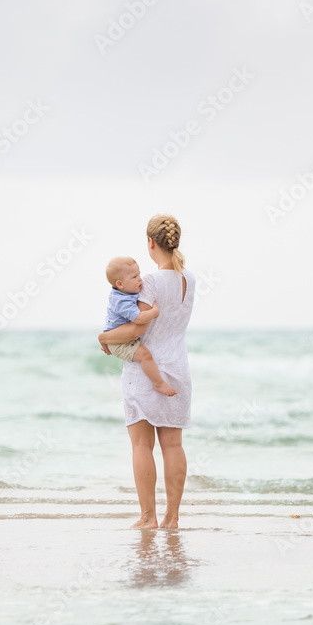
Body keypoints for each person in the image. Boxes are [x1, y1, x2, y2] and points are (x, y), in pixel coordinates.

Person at [99, 215, 194, 529]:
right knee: (174, 446)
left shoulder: (150, 282)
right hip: (178, 368)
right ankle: (172, 518)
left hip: (145, 371)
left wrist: (103, 338)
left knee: (142, 446)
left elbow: (133, 330)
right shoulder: (188, 280)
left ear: (151, 243)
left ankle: (148, 517)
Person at [102, 256, 177, 397]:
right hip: (119, 343)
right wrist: (154, 312)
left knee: (145, 354)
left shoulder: (126, 292)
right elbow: (139, 318)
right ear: (120, 284)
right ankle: (158, 383)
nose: (140, 279)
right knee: (145, 356)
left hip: (119, 337)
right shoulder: (121, 300)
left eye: (139, 274)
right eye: (134, 276)